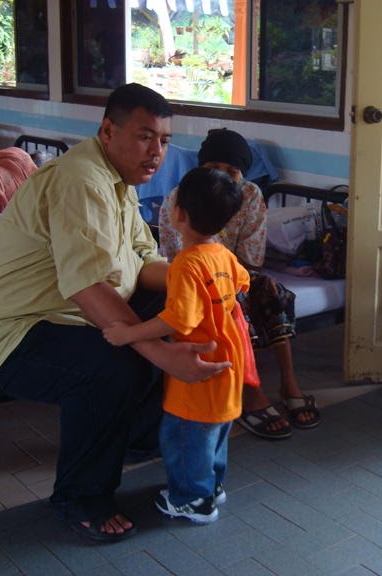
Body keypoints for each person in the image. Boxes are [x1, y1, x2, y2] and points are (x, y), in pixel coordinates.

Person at [0, 83, 230, 544]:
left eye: (164, 140)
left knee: (186, 309)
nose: (156, 151)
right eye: (144, 137)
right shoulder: (82, 180)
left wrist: (205, 278)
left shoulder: (121, 183)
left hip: (68, 315)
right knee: (109, 368)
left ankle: (136, 436)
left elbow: (143, 263)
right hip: (6, 330)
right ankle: (80, 496)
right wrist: (161, 353)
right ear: (107, 130)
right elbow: (86, 284)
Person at [104, 167, 248, 524]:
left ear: (177, 212)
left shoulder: (186, 263)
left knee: (184, 437)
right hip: (228, 361)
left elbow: (177, 319)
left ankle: (192, 500)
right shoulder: (223, 255)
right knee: (214, 432)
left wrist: (128, 334)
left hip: (198, 365)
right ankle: (212, 486)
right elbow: (242, 284)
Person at [158, 128, 321, 440]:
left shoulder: (250, 196)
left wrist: (229, 275)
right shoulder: (179, 200)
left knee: (272, 291)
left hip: (235, 271)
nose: (221, 177)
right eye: (212, 169)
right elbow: (179, 257)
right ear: (199, 168)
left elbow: (252, 258)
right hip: (194, 279)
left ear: (242, 175)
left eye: (231, 172)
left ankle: (289, 383)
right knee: (233, 309)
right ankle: (250, 393)